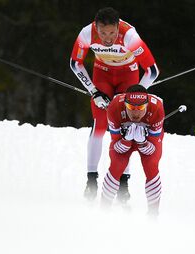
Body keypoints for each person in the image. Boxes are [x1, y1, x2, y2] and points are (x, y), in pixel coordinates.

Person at [70, 7, 160, 201]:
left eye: (112, 33)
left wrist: (134, 95)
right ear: (96, 27)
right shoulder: (86, 34)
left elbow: (152, 71)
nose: (108, 38)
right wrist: (94, 91)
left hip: (128, 76)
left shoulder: (129, 36)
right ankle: (91, 180)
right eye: (103, 33)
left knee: (125, 127)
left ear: (118, 27)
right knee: (100, 125)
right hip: (102, 73)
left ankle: (123, 183)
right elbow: (75, 64)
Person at [100, 85, 164, 215]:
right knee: (116, 165)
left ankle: (153, 215)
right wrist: (126, 140)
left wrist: (142, 142)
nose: (135, 112)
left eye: (140, 108)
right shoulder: (114, 107)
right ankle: (103, 211)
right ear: (125, 104)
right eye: (131, 108)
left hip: (148, 142)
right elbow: (118, 147)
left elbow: (151, 150)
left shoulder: (157, 108)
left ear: (146, 105)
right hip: (124, 142)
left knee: (151, 166)